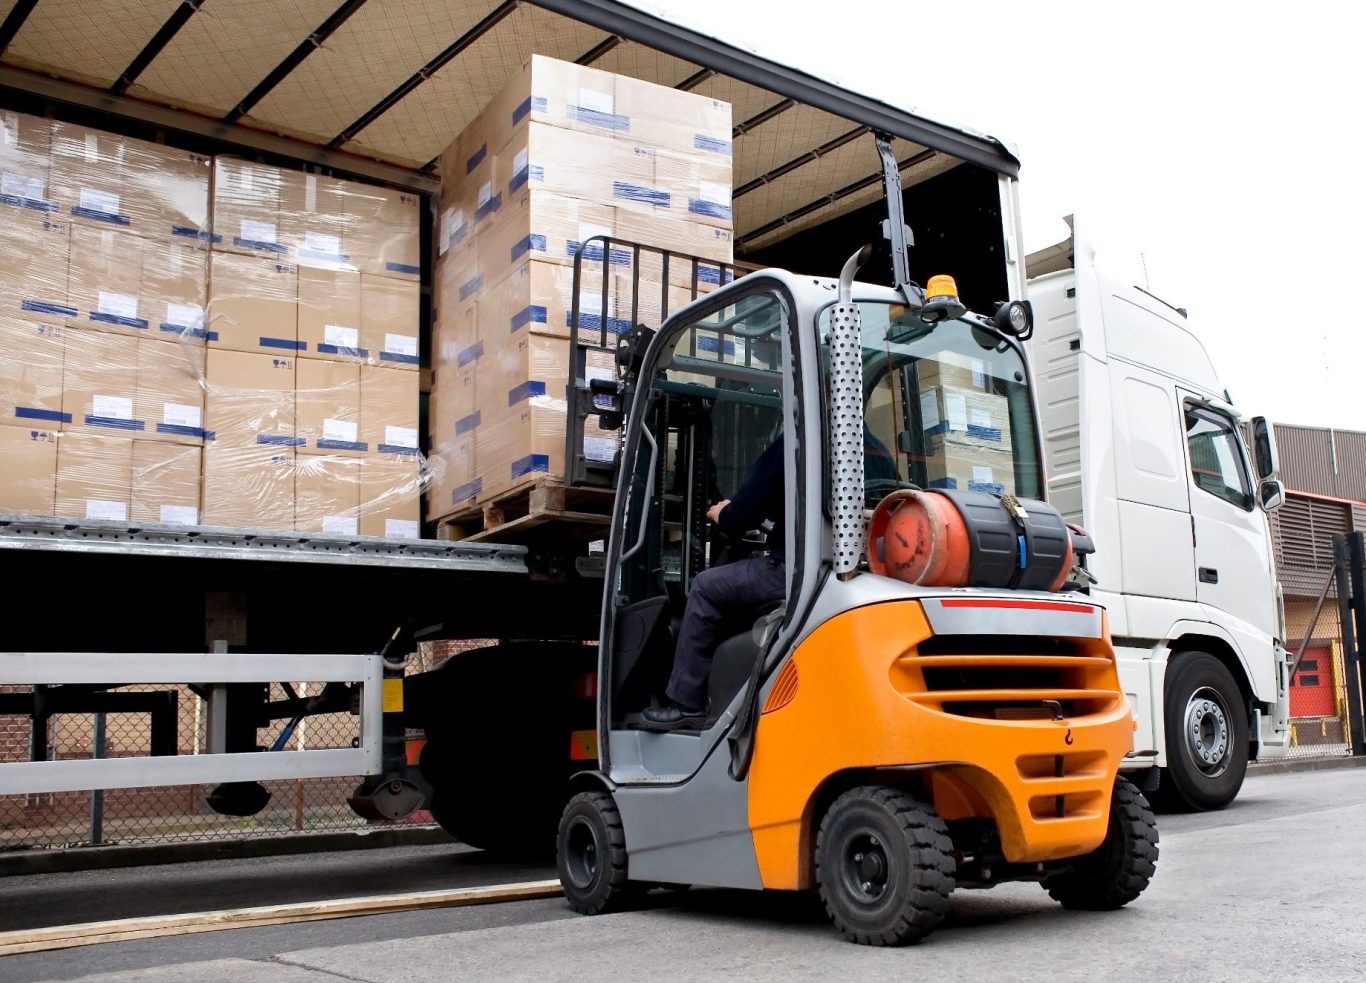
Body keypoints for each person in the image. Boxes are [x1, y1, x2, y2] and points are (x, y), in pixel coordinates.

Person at [641, 434, 786, 729]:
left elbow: (747, 510)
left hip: (790, 570)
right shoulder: (869, 449)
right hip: (839, 568)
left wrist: (725, 514)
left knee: (707, 586)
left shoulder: (798, 439)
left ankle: (688, 703)